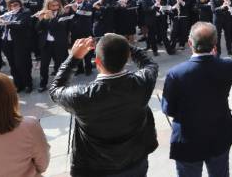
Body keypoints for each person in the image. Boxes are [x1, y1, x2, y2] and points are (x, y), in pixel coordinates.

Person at [49, 34, 159, 177]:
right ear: (127, 58)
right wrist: (125, 45)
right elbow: (150, 64)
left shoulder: (82, 96)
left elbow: (55, 90)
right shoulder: (142, 82)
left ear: (97, 62)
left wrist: (73, 58)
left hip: (96, 168)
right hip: (135, 160)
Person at [162, 22, 232, 177]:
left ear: (190, 43)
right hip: (220, 133)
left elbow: (168, 109)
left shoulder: (176, 73)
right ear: (215, 44)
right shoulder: (227, 66)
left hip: (188, 138)